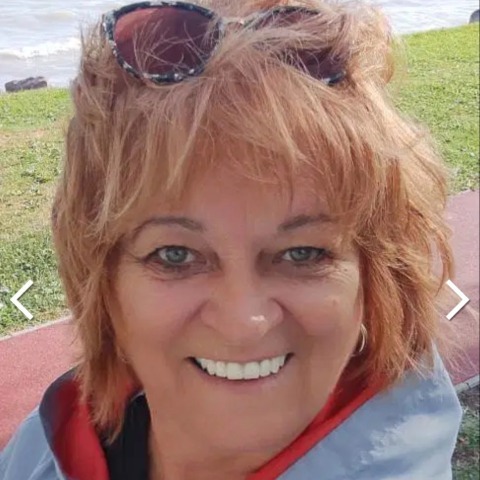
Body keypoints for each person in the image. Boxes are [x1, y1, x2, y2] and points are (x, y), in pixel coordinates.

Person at [0, 1, 462, 479]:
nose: (244, 323)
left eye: (302, 253)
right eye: (175, 255)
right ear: (103, 281)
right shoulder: (47, 447)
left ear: (375, 280)